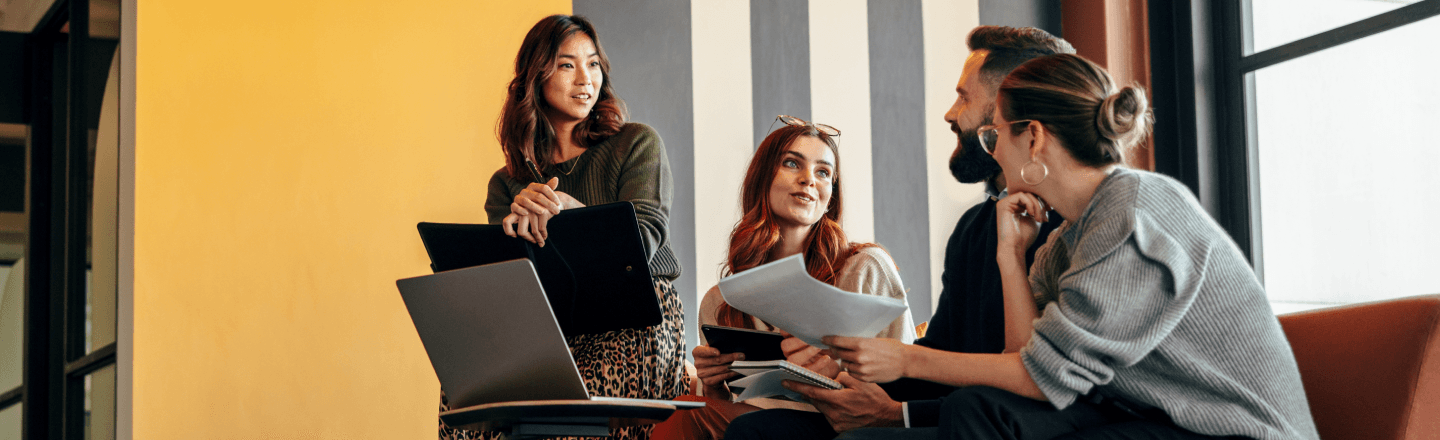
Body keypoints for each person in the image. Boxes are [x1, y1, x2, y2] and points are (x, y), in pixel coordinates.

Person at [816, 53, 1321, 439]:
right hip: (1156, 419)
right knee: (977, 409)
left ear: (1032, 138)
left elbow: (1038, 377)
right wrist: (1011, 256)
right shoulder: (1071, 234)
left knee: (976, 412)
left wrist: (906, 360)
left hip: (1229, 432)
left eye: (995, 137)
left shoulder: (1135, 211)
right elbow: (1026, 357)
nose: (992, 153)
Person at [723, 26, 1070, 440]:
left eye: (963, 96)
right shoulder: (974, 228)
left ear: (1004, 113)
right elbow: (941, 352)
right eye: (791, 165)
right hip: (946, 409)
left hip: (987, 421)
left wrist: (898, 413)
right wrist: (847, 374)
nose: (949, 113)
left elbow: (1030, 384)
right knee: (756, 432)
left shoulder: (1068, 229)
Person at [438, 14, 686, 440]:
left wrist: (575, 213)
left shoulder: (637, 143)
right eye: (567, 65)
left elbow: (643, 238)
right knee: (462, 384)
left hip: (633, 314)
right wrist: (514, 231)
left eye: (593, 64)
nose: (585, 78)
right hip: (551, 319)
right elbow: (511, 284)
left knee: (579, 418)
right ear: (536, 77)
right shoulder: (507, 183)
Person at [651, 116, 917, 440]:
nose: (809, 180)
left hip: (842, 430)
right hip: (752, 428)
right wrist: (712, 384)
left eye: (823, 172)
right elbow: (723, 411)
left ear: (830, 195)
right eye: (793, 163)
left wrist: (838, 371)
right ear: (763, 178)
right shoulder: (719, 302)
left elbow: (907, 385)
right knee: (689, 410)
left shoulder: (864, 268)